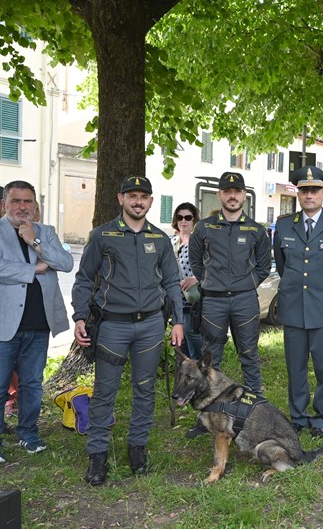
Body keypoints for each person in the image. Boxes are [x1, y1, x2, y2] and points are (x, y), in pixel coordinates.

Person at [72, 175, 184, 485]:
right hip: (112, 327)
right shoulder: (102, 235)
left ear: (150, 201)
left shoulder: (160, 239)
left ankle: (137, 449)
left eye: (143, 197)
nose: (138, 202)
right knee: (104, 392)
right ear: (121, 199)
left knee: (145, 389)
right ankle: (97, 456)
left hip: (150, 326)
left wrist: (178, 321)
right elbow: (84, 279)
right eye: (132, 196)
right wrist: (80, 317)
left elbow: (172, 282)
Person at [187, 171, 271, 437]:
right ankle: (208, 415)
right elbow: (196, 262)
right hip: (213, 301)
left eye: (237, 191)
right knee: (211, 358)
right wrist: (210, 282)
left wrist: (245, 284)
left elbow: (263, 266)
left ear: (244, 195)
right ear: (220, 195)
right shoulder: (204, 228)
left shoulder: (256, 230)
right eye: (227, 191)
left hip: (245, 301)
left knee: (249, 354)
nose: (232, 196)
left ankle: (257, 411)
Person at [273, 166, 323, 437]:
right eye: (304, 190)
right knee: (295, 366)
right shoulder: (284, 225)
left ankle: (322, 415)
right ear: (298, 193)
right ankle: (298, 415)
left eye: (315, 190)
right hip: (294, 307)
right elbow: (283, 266)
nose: (309, 195)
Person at [0, 181, 73, 464]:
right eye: (16, 201)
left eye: (28, 201)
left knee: (32, 383)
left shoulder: (46, 232)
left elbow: (65, 263)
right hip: (5, 324)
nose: (22, 207)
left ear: (34, 205)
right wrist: (36, 268)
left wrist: (35, 242)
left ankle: (28, 432)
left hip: (39, 324)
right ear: (5, 204)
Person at [170, 202, 203, 359]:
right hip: (176, 301)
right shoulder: (171, 242)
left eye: (188, 217)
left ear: (194, 220)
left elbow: (211, 267)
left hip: (193, 301)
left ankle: (200, 370)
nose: (183, 221)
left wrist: (195, 279)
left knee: (193, 338)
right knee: (180, 345)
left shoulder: (199, 243)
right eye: (180, 217)